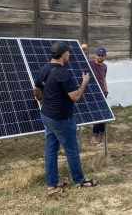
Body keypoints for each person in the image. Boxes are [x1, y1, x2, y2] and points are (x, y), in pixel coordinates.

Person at [33, 41, 98, 193]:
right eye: (68, 52)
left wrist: (41, 100)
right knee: (72, 150)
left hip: (46, 115)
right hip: (61, 118)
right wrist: (84, 82)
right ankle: (79, 180)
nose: (70, 54)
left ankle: (51, 184)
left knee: (50, 150)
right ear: (63, 55)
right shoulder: (63, 73)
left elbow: (36, 89)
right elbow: (75, 96)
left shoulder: (44, 68)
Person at [87, 47, 108, 146]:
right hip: (93, 93)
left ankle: (102, 138)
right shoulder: (90, 62)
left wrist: (106, 90)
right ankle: (94, 139)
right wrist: (81, 48)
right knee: (97, 116)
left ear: (105, 56)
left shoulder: (104, 66)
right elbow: (79, 59)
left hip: (102, 93)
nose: (100, 57)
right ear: (95, 55)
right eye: (98, 55)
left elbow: (104, 79)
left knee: (103, 116)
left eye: (102, 55)